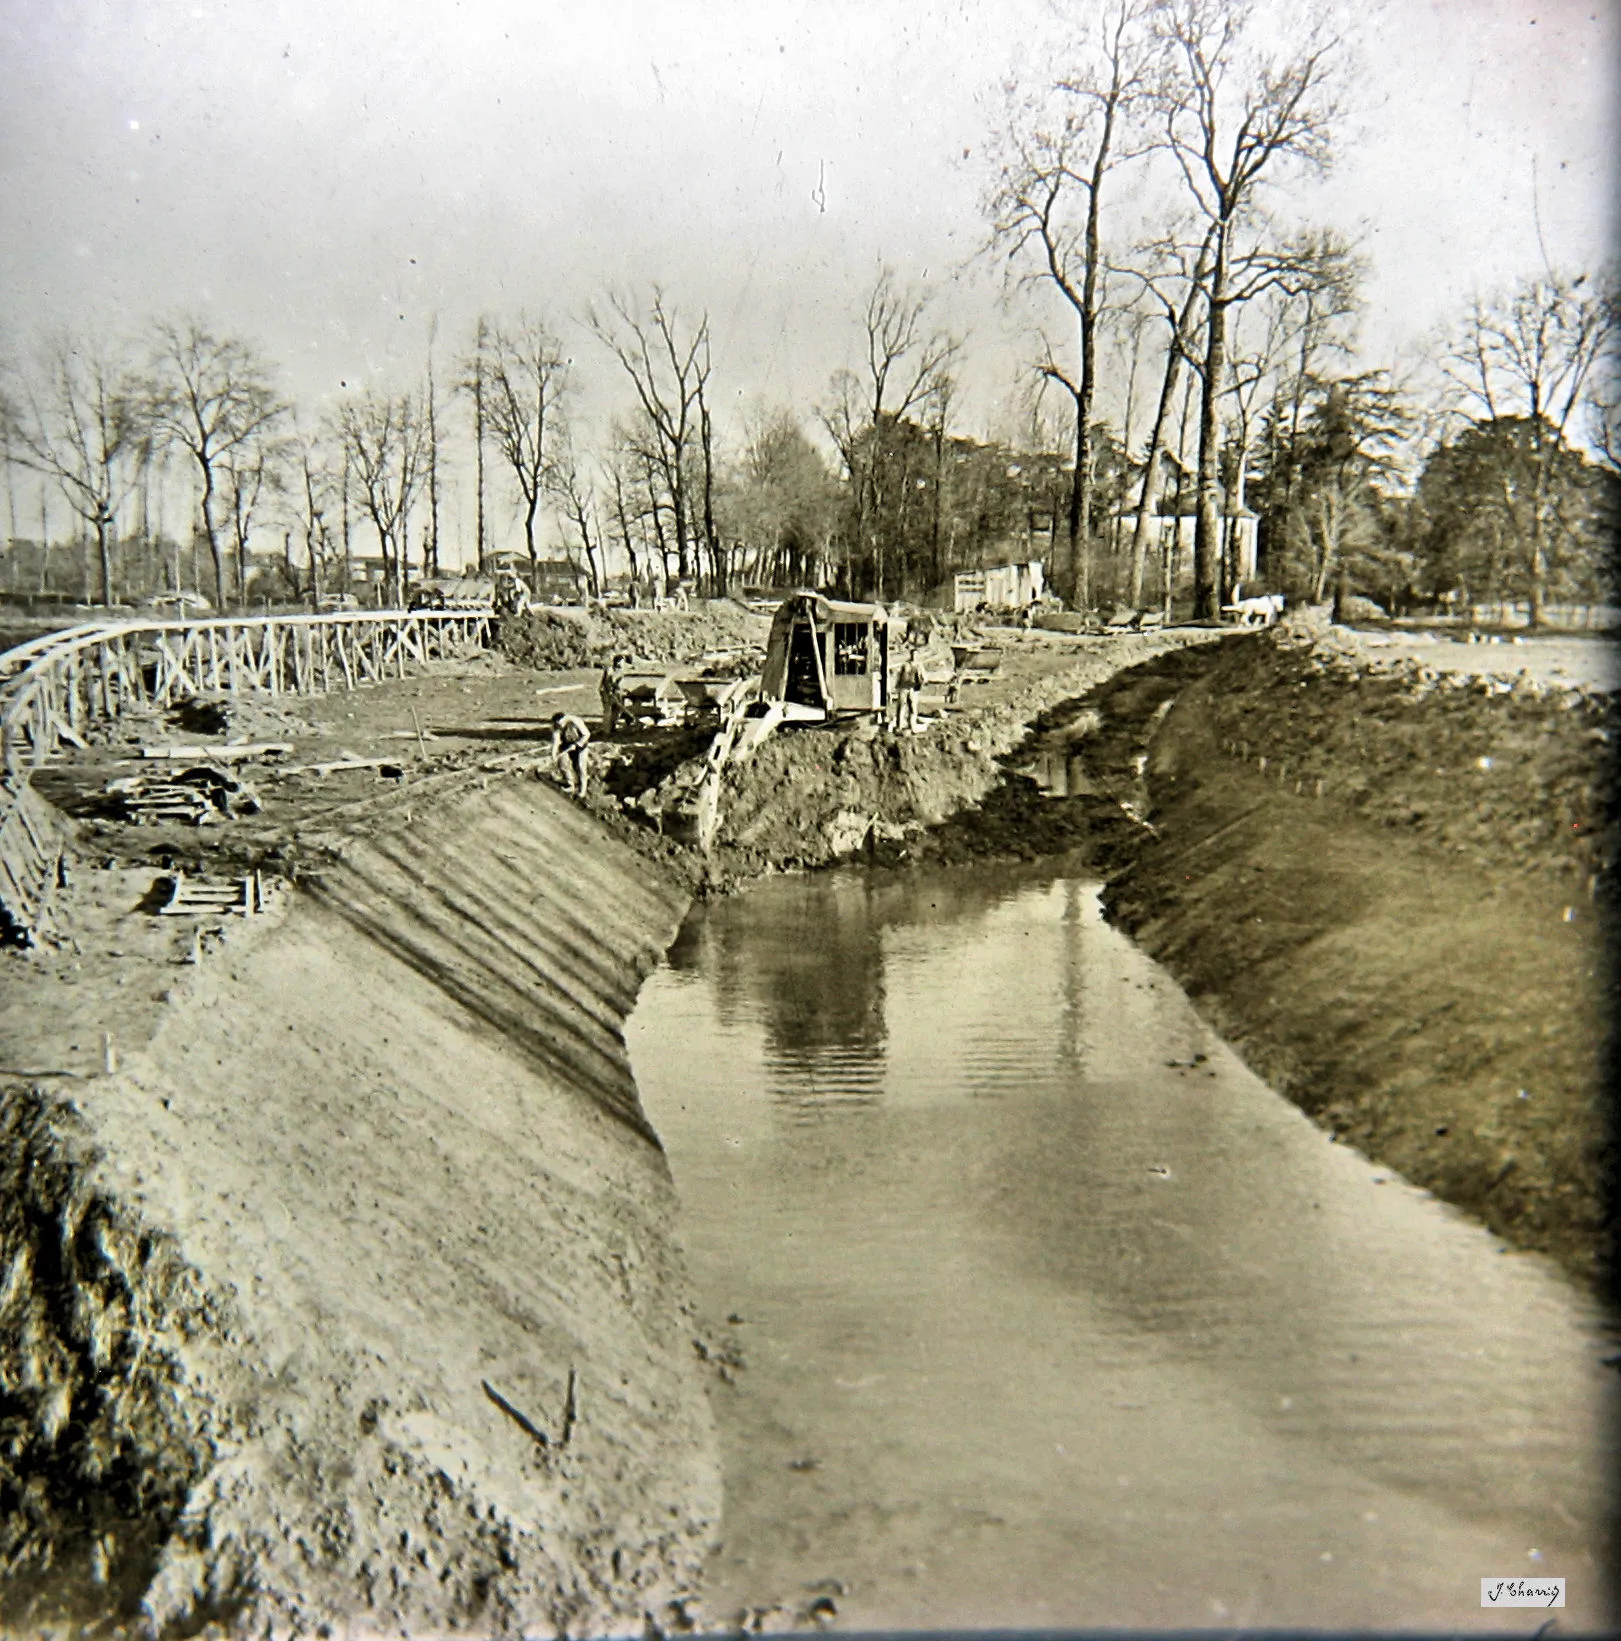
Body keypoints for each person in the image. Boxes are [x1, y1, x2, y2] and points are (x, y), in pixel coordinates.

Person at [548, 711, 592, 797]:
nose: (559, 726)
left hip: (581, 746)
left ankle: (583, 791)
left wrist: (578, 744)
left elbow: (587, 734)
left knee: (581, 767)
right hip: (566, 745)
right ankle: (570, 784)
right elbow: (556, 742)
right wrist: (553, 755)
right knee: (563, 763)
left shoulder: (575, 721)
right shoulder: (556, 727)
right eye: (557, 724)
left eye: (560, 723)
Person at [892, 647, 924, 734]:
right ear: (910, 655)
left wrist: (919, 685)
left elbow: (922, 678)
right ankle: (899, 726)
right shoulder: (905, 665)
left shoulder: (919, 666)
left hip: (913, 689)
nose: (914, 657)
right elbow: (900, 675)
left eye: (916, 655)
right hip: (904, 688)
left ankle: (912, 726)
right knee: (901, 707)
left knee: (913, 709)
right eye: (913, 655)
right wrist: (897, 686)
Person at [599, 656, 624, 737]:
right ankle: (606, 731)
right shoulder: (610, 669)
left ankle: (613, 727)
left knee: (616, 710)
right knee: (608, 710)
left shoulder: (620, 671)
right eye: (621, 662)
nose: (622, 664)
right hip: (606, 691)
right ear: (617, 662)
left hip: (613, 691)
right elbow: (607, 682)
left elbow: (618, 683)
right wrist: (610, 691)